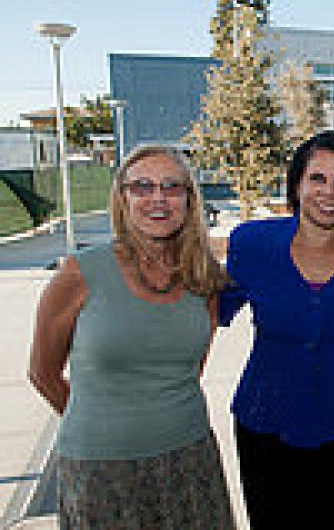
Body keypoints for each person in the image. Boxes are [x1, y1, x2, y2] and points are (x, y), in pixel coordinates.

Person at [28, 145, 235, 528]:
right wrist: (103, 423)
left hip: (190, 461)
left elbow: (190, 370)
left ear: (190, 200)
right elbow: (42, 373)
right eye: (142, 186)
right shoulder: (79, 274)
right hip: (99, 473)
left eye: (172, 187)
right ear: (122, 198)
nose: (158, 198)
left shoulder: (203, 277)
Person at [220, 130, 334, 529]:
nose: (328, 192)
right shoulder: (251, 244)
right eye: (317, 178)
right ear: (297, 184)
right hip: (267, 422)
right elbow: (208, 308)